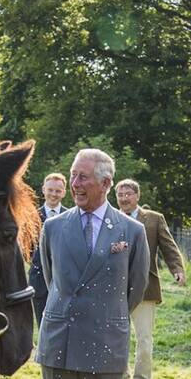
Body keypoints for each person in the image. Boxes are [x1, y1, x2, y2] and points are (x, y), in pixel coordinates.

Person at [36, 149, 150, 379]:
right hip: (60, 344)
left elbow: (136, 287)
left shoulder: (132, 230)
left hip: (106, 343)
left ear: (105, 183)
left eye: (83, 177)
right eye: (73, 175)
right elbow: (52, 281)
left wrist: (105, 313)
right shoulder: (52, 228)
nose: (75, 184)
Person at [115, 179, 186, 379]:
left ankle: (142, 376)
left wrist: (177, 268)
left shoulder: (154, 219)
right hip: (114, 288)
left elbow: (168, 246)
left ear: (137, 196)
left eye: (128, 194)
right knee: (116, 337)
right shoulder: (109, 218)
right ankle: (120, 375)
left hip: (146, 288)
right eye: (120, 195)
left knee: (144, 339)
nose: (124, 198)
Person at [29, 172, 67, 328]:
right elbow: (27, 249)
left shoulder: (71, 216)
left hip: (65, 281)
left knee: (63, 326)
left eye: (58, 191)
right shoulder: (31, 216)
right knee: (43, 326)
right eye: (50, 190)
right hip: (38, 281)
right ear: (43, 189)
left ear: (64, 193)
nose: (53, 194)